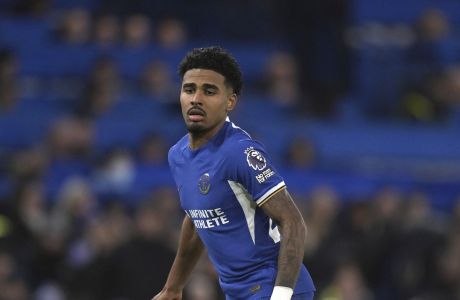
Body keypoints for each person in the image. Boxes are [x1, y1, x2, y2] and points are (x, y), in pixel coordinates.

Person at [153, 46, 315, 300]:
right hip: (238, 293)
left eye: (209, 91)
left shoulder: (240, 152)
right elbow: (196, 220)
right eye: (189, 89)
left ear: (230, 101)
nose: (196, 98)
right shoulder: (177, 155)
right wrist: (172, 287)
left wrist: (281, 296)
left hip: (272, 287)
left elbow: (293, 222)